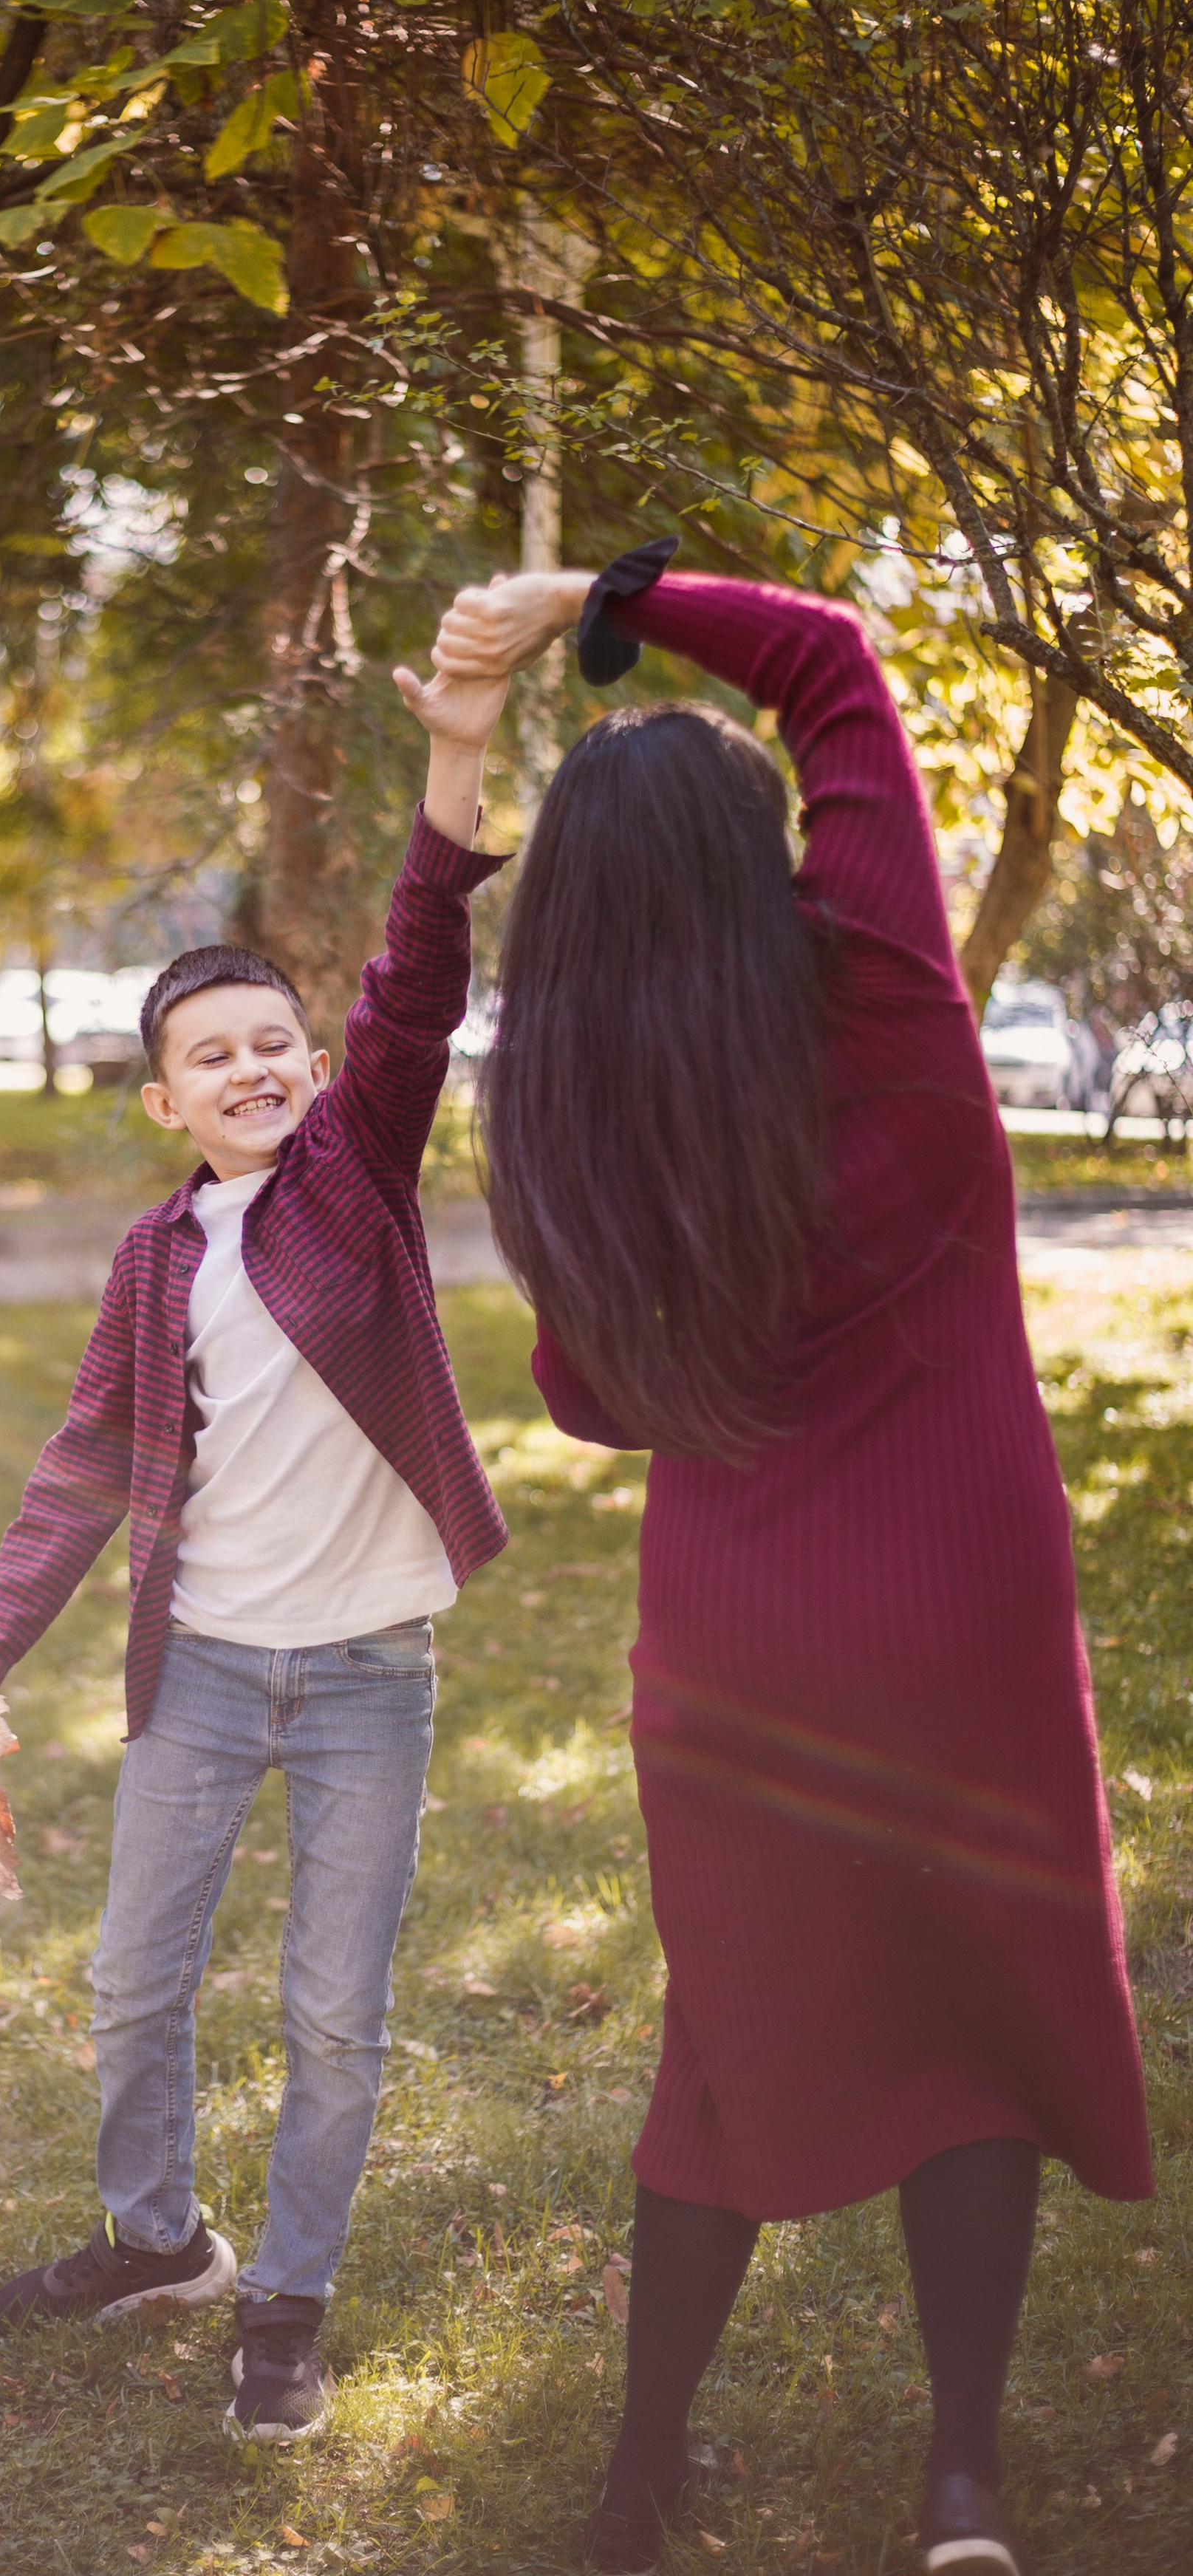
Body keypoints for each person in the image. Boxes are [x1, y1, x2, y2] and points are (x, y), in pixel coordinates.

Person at [434, 550, 1152, 2576]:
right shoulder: (895, 1001)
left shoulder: (573, 1115)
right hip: (964, 1598)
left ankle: (637, 2482)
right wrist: (603, 594)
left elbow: (588, 1399)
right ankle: (959, 2486)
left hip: (743, 1631)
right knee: (973, 2011)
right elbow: (833, 666)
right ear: (766, 868)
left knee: (733, 2034)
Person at [0, 637, 518, 2443]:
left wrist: (453, 758)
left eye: (273, 1042)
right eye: (211, 1055)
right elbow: (78, 1473)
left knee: (333, 2013)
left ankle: (287, 2299)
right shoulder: (153, 1259)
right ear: (164, 1101)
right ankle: (158, 2243)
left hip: (364, 1677)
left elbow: (414, 974)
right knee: (131, 1986)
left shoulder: (355, 1176)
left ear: (311, 1070)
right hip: (198, 1671)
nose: (250, 1066)